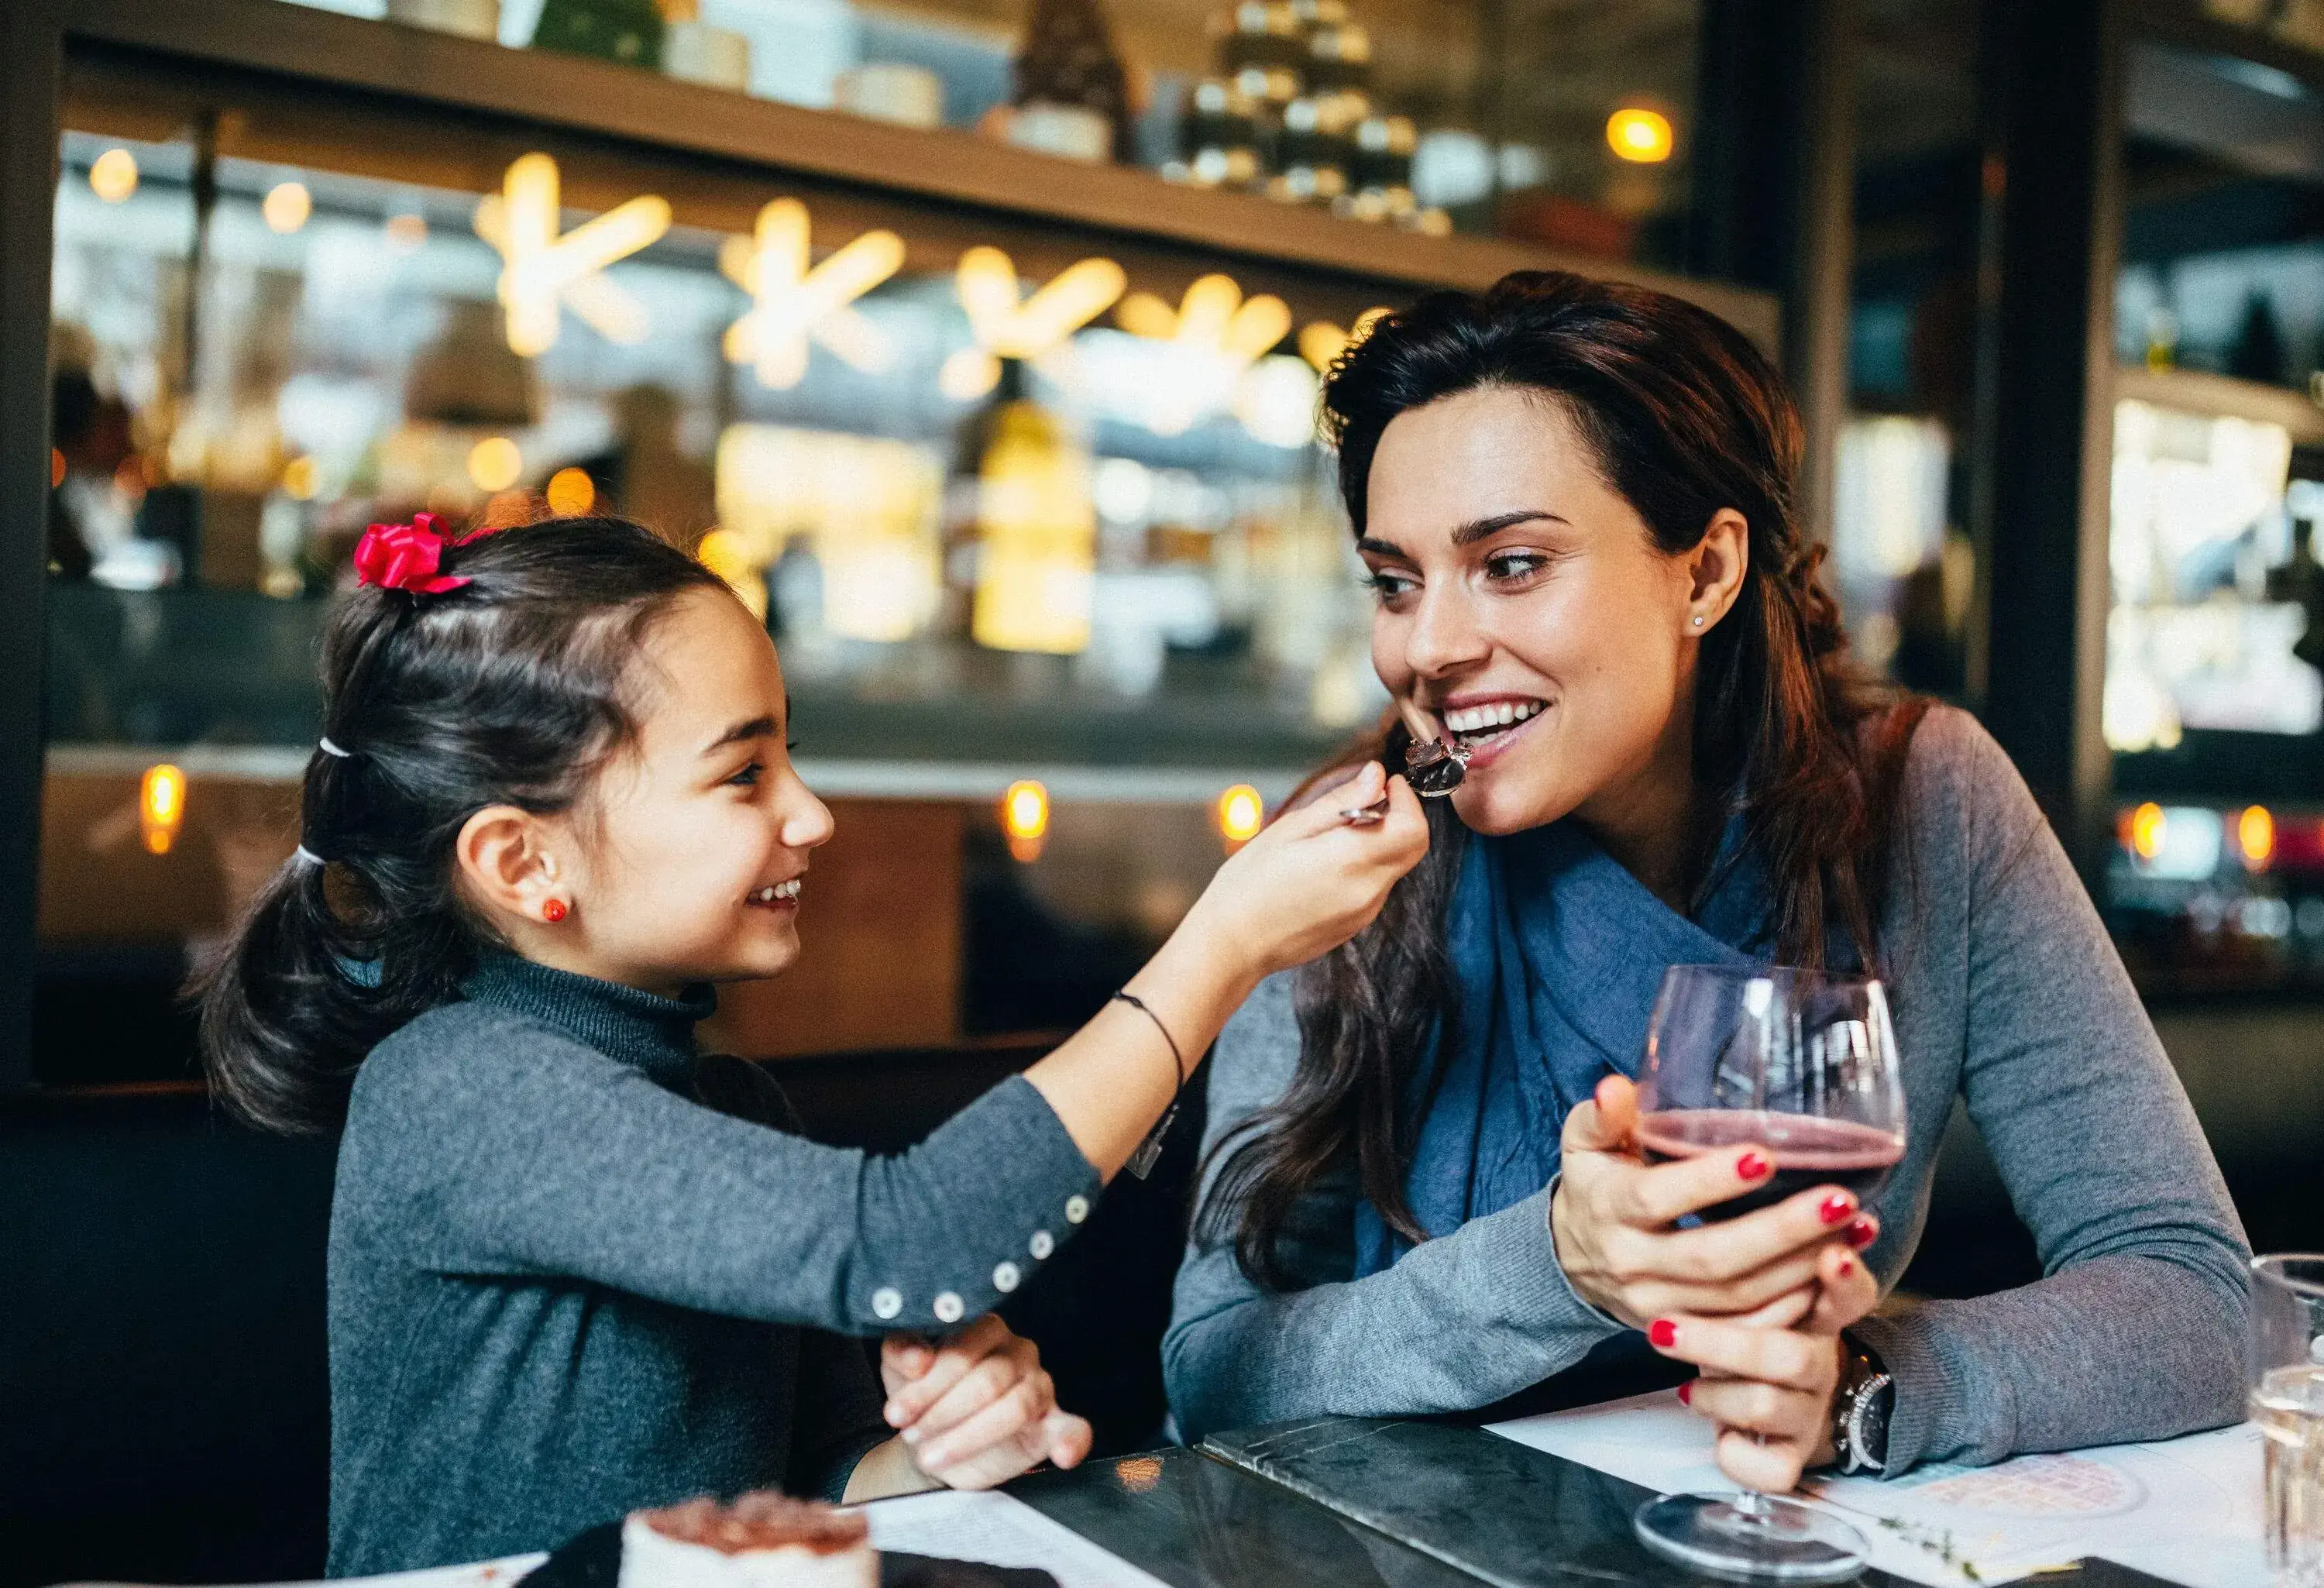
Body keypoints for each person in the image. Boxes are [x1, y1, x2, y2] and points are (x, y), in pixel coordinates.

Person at [1164, 272, 2250, 1492]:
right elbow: (1210, 1371)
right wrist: (1558, 1264)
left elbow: (2192, 1291)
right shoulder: (1342, 858)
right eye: (1396, 580)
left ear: (1706, 572)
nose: (1427, 646)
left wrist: (1859, 1383)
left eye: (1512, 564)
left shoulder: (1922, 802)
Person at [195, 513, 1426, 1573]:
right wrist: (1225, 944)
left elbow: (813, 1479)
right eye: (745, 774)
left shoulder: (728, 1102)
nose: (813, 813)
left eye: (792, 751)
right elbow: (917, 1240)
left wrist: (943, 1451)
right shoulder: (458, 1087)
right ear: (525, 861)